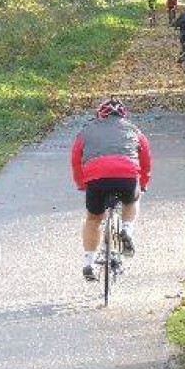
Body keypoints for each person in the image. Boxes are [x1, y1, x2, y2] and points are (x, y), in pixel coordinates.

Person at [71, 98, 151, 281]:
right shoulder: (134, 130)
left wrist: (81, 183)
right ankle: (127, 229)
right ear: (123, 115)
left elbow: (76, 159)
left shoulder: (86, 131)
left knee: (93, 218)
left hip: (96, 178)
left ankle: (89, 263)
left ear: (100, 114)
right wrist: (144, 183)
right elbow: (146, 158)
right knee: (132, 200)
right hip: (127, 175)